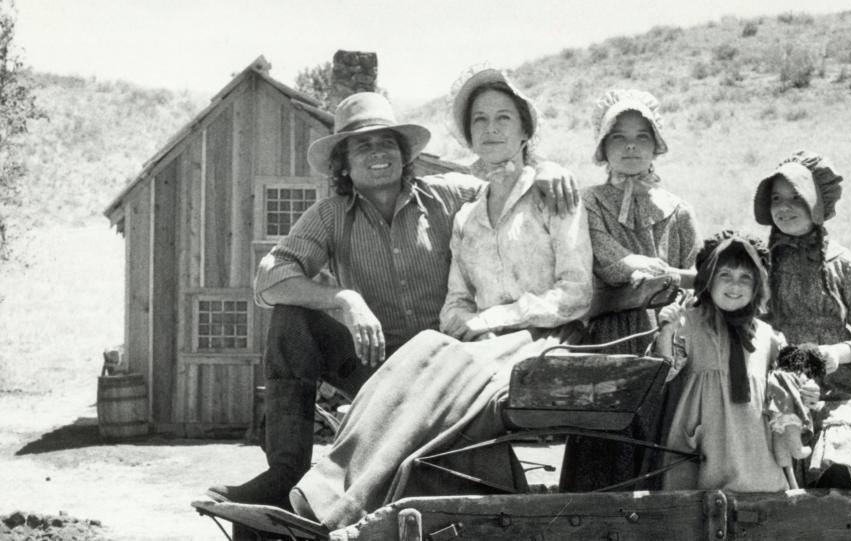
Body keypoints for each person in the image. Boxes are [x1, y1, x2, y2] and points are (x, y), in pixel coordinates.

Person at [206, 91, 579, 508]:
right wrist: (343, 298)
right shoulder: (329, 216)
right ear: (343, 165)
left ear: (404, 154)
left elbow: (511, 189)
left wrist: (546, 169)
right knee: (291, 318)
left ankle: (333, 497)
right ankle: (285, 473)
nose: (377, 153)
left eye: (387, 142)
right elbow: (269, 278)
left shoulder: (451, 194)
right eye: (362, 146)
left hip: (451, 369)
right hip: (374, 367)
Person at [287, 66, 593, 529]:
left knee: (446, 369)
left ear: (526, 129)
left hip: (545, 341)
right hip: (482, 346)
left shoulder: (554, 197)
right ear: (469, 136)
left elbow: (576, 294)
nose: (491, 129)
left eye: (503, 119)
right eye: (480, 121)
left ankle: (349, 510)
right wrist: (461, 324)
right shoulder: (469, 212)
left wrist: (492, 320)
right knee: (420, 353)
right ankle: (323, 489)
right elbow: (456, 300)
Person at [560, 89, 700, 491]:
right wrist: (651, 275)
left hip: (668, 338)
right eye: (619, 137)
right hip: (609, 339)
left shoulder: (678, 210)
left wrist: (670, 289)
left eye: (642, 135)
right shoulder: (587, 203)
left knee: (660, 448)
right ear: (603, 146)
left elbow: (696, 279)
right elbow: (609, 263)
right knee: (602, 450)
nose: (632, 146)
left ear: (657, 143)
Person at [754, 150, 851, 488]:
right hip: (775, 391)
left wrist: (836, 354)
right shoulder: (759, 264)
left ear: (818, 204)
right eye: (776, 199)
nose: (784, 208)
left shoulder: (845, 264)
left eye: (796, 198)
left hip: (839, 392)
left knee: (839, 461)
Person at [657, 231, 789, 492]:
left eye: (745, 278)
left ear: (757, 286)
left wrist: (810, 387)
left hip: (753, 446)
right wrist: (667, 332)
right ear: (708, 279)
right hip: (706, 440)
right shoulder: (689, 322)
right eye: (725, 275)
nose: (735, 286)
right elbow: (666, 371)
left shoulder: (765, 334)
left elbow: (792, 374)